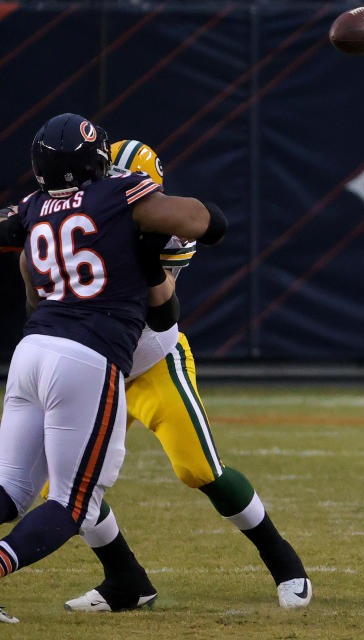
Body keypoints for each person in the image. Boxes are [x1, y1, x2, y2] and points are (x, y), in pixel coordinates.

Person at [54, 139, 311, 612]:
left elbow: (161, 306)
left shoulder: (165, 228)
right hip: (93, 367)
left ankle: (284, 560)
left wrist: (138, 252)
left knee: (198, 468)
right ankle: (125, 580)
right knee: (65, 489)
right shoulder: (69, 219)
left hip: (151, 362)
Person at [0, 113, 226, 623]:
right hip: (87, 356)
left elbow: (29, 282)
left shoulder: (34, 206)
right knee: (73, 504)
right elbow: (209, 222)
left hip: (30, 352)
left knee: (10, 492)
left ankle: (125, 579)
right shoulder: (118, 196)